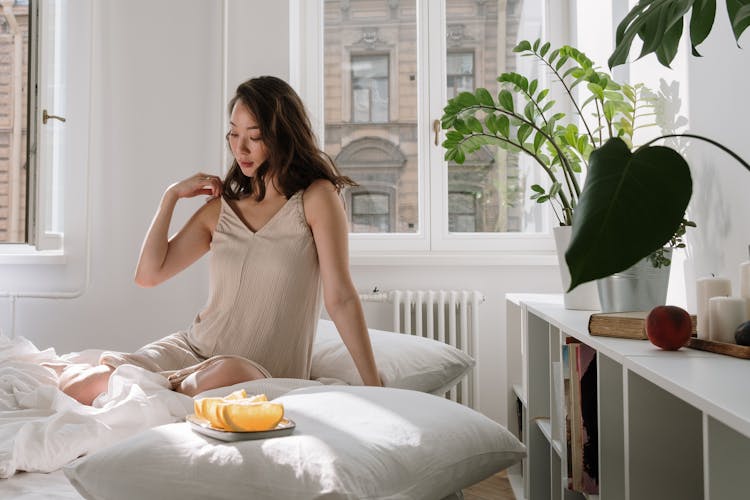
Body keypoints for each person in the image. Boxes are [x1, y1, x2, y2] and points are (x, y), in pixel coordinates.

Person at [59, 76, 382, 405]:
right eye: (234, 134)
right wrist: (170, 197)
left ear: (283, 136)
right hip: (194, 349)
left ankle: (156, 390)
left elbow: (340, 298)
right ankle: (164, 390)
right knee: (78, 385)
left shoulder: (316, 198)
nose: (240, 148)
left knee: (229, 374)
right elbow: (148, 275)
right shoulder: (221, 212)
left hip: (255, 371)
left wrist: (375, 385)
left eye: (254, 137)